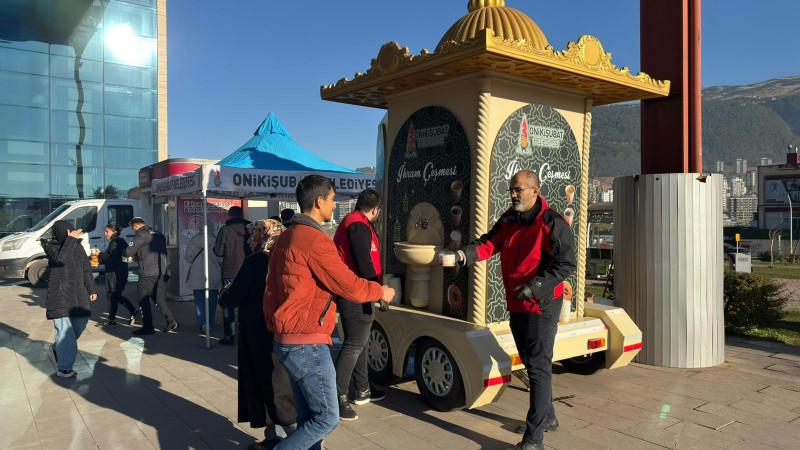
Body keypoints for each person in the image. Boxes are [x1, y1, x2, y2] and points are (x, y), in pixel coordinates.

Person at [263, 175, 395, 450]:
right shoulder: (314, 240)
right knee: (326, 418)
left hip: (287, 338)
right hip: (306, 341)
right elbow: (348, 284)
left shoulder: (287, 237)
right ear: (319, 200)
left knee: (308, 417)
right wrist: (381, 292)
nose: (335, 206)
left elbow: (271, 290)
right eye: (333, 200)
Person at [453, 170, 576, 450]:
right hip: (516, 302)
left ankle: (534, 439)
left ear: (535, 191)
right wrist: (463, 255)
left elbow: (566, 264)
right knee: (533, 365)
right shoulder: (509, 218)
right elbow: (489, 243)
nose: (514, 194)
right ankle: (549, 419)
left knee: (538, 367)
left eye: (519, 190)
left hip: (541, 305)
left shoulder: (552, 222)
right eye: (512, 189)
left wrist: (535, 287)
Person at [219, 219, 296, 450]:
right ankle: (274, 436)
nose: (250, 239)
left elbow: (233, 296)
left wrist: (223, 294)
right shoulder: (285, 259)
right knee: (276, 382)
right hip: (281, 331)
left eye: (253, 235)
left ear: (261, 237)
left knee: (270, 385)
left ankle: (299, 438)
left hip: (258, 332)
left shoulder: (257, 260)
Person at [332, 188, 386, 421]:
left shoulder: (356, 222)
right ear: (375, 210)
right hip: (355, 293)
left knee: (361, 342)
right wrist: (379, 290)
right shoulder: (358, 225)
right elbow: (364, 261)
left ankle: (362, 388)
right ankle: (337, 396)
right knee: (354, 345)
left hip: (361, 293)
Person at [42, 220, 98, 378]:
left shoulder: (77, 246)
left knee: (80, 325)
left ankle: (58, 348)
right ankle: (64, 368)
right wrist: (70, 240)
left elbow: (86, 269)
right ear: (61, 232)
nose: (71, 233)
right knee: (65, 330)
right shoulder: (50, 246)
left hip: (79, 293)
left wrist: (92, 289)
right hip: (60, 295)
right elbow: (61, 260)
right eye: (68, 232)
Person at [124, 217, 179, 335]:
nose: (133, 230)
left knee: (142, 299)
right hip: (161, 271)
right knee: (158, 298)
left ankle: (148, 326)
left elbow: (128, 252)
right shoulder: (159, 234)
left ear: (136, 226)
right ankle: (172, 321)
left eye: (133, 228)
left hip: (147, 272)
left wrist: (131, 255)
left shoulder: (141, 235)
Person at [213, 205, 251, 345]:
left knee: (227, 303)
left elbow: (218, 251)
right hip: (248, 270)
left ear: (230, 216)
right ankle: (246, 335)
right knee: (247, 304)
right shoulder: (251, 228)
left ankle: (229, 336)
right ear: (242, 215)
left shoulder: (225, 230)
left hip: (230, 270)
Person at [92, 224, 138, 327]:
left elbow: (110, 259)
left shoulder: (115, 243)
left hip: (116, 274)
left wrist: (99, 254)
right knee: (113, 296)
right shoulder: (118, 242)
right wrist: (98, 259)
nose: (105, 234)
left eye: (107, 231)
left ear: (114, 232)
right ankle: (115, 318)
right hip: (118, 273)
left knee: (113, 296)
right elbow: (111, 258)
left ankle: (128, 313)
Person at [184, 221, 223, 334]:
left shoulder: (194, 240)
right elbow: (221, 259)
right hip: (213, 274)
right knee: (212, 300)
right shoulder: (216, 241)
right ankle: (210, 323)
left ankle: (203, 323)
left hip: (197, 275)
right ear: (211, 228)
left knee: (199, 301)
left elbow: (188, 257)